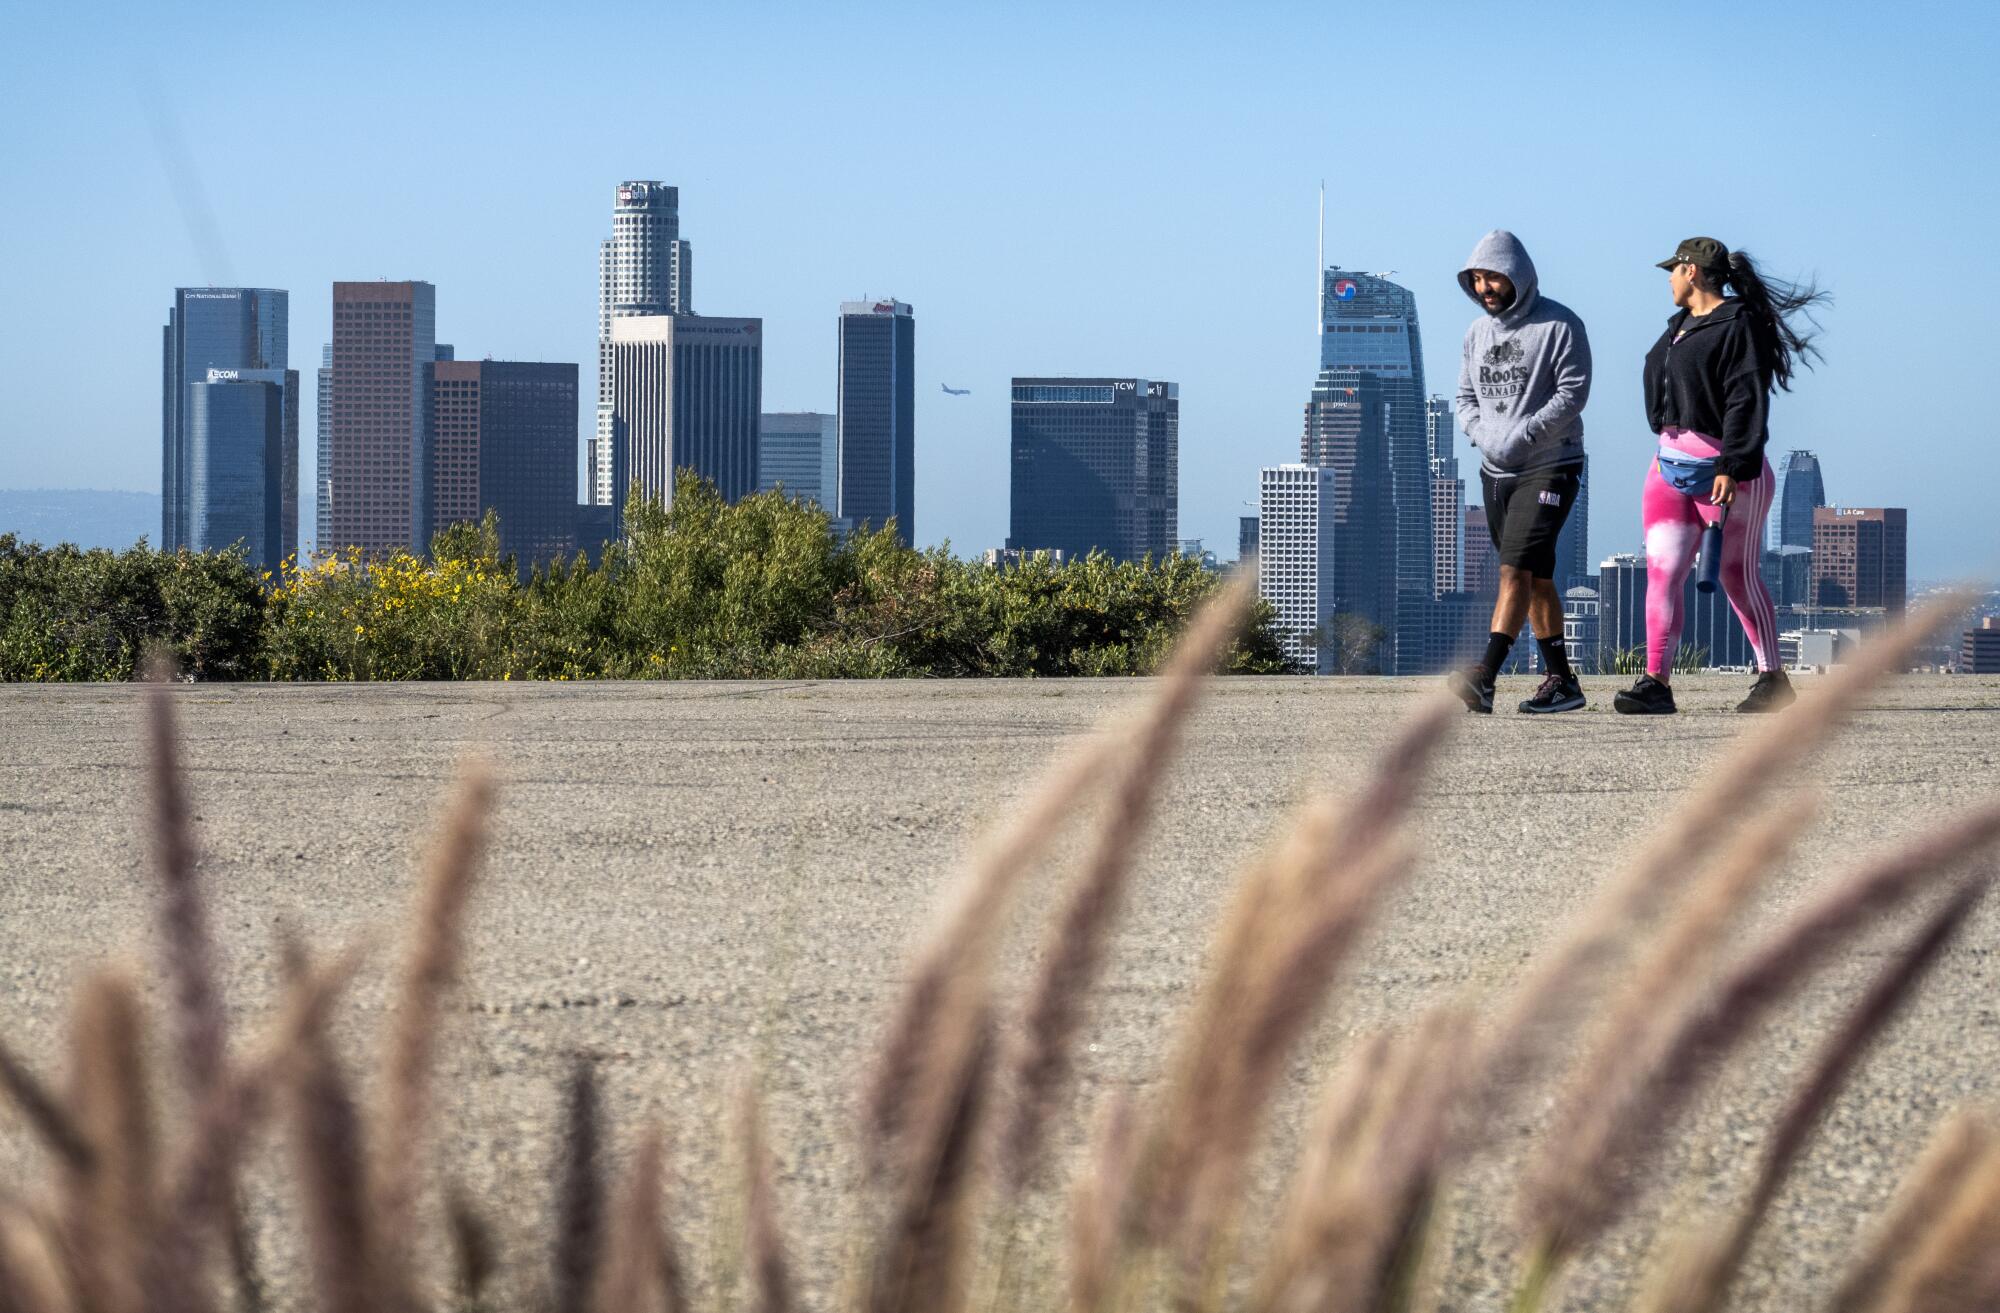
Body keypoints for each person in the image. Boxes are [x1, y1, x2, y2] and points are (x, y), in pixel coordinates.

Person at [1614, 237, 1829, 715]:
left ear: (1691, 271)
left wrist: (1733, 466)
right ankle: (1656, 682)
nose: (1668, 278)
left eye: (1673, 270)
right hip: (1668, 467)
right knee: (1662, 576)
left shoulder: (1738, 324)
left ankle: (1772, 677)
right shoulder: (1677, 327)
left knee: (1735, 575)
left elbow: (1745, 397)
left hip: (1726, 474)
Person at [1449, 230, 1593, 714]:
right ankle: (1563, 682)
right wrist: (1483, 435)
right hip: (1495, 471)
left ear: (1518, 276)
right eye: (1478, 279)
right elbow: (1464, 399)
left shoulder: (1560, 325)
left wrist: (1526, 434)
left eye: (1493, 277)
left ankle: (1484, 676)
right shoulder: (1475, 334)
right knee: (1536, 577)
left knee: (1513, 570)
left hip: (1551, 465)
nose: (1485, 287)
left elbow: (1572, 394)